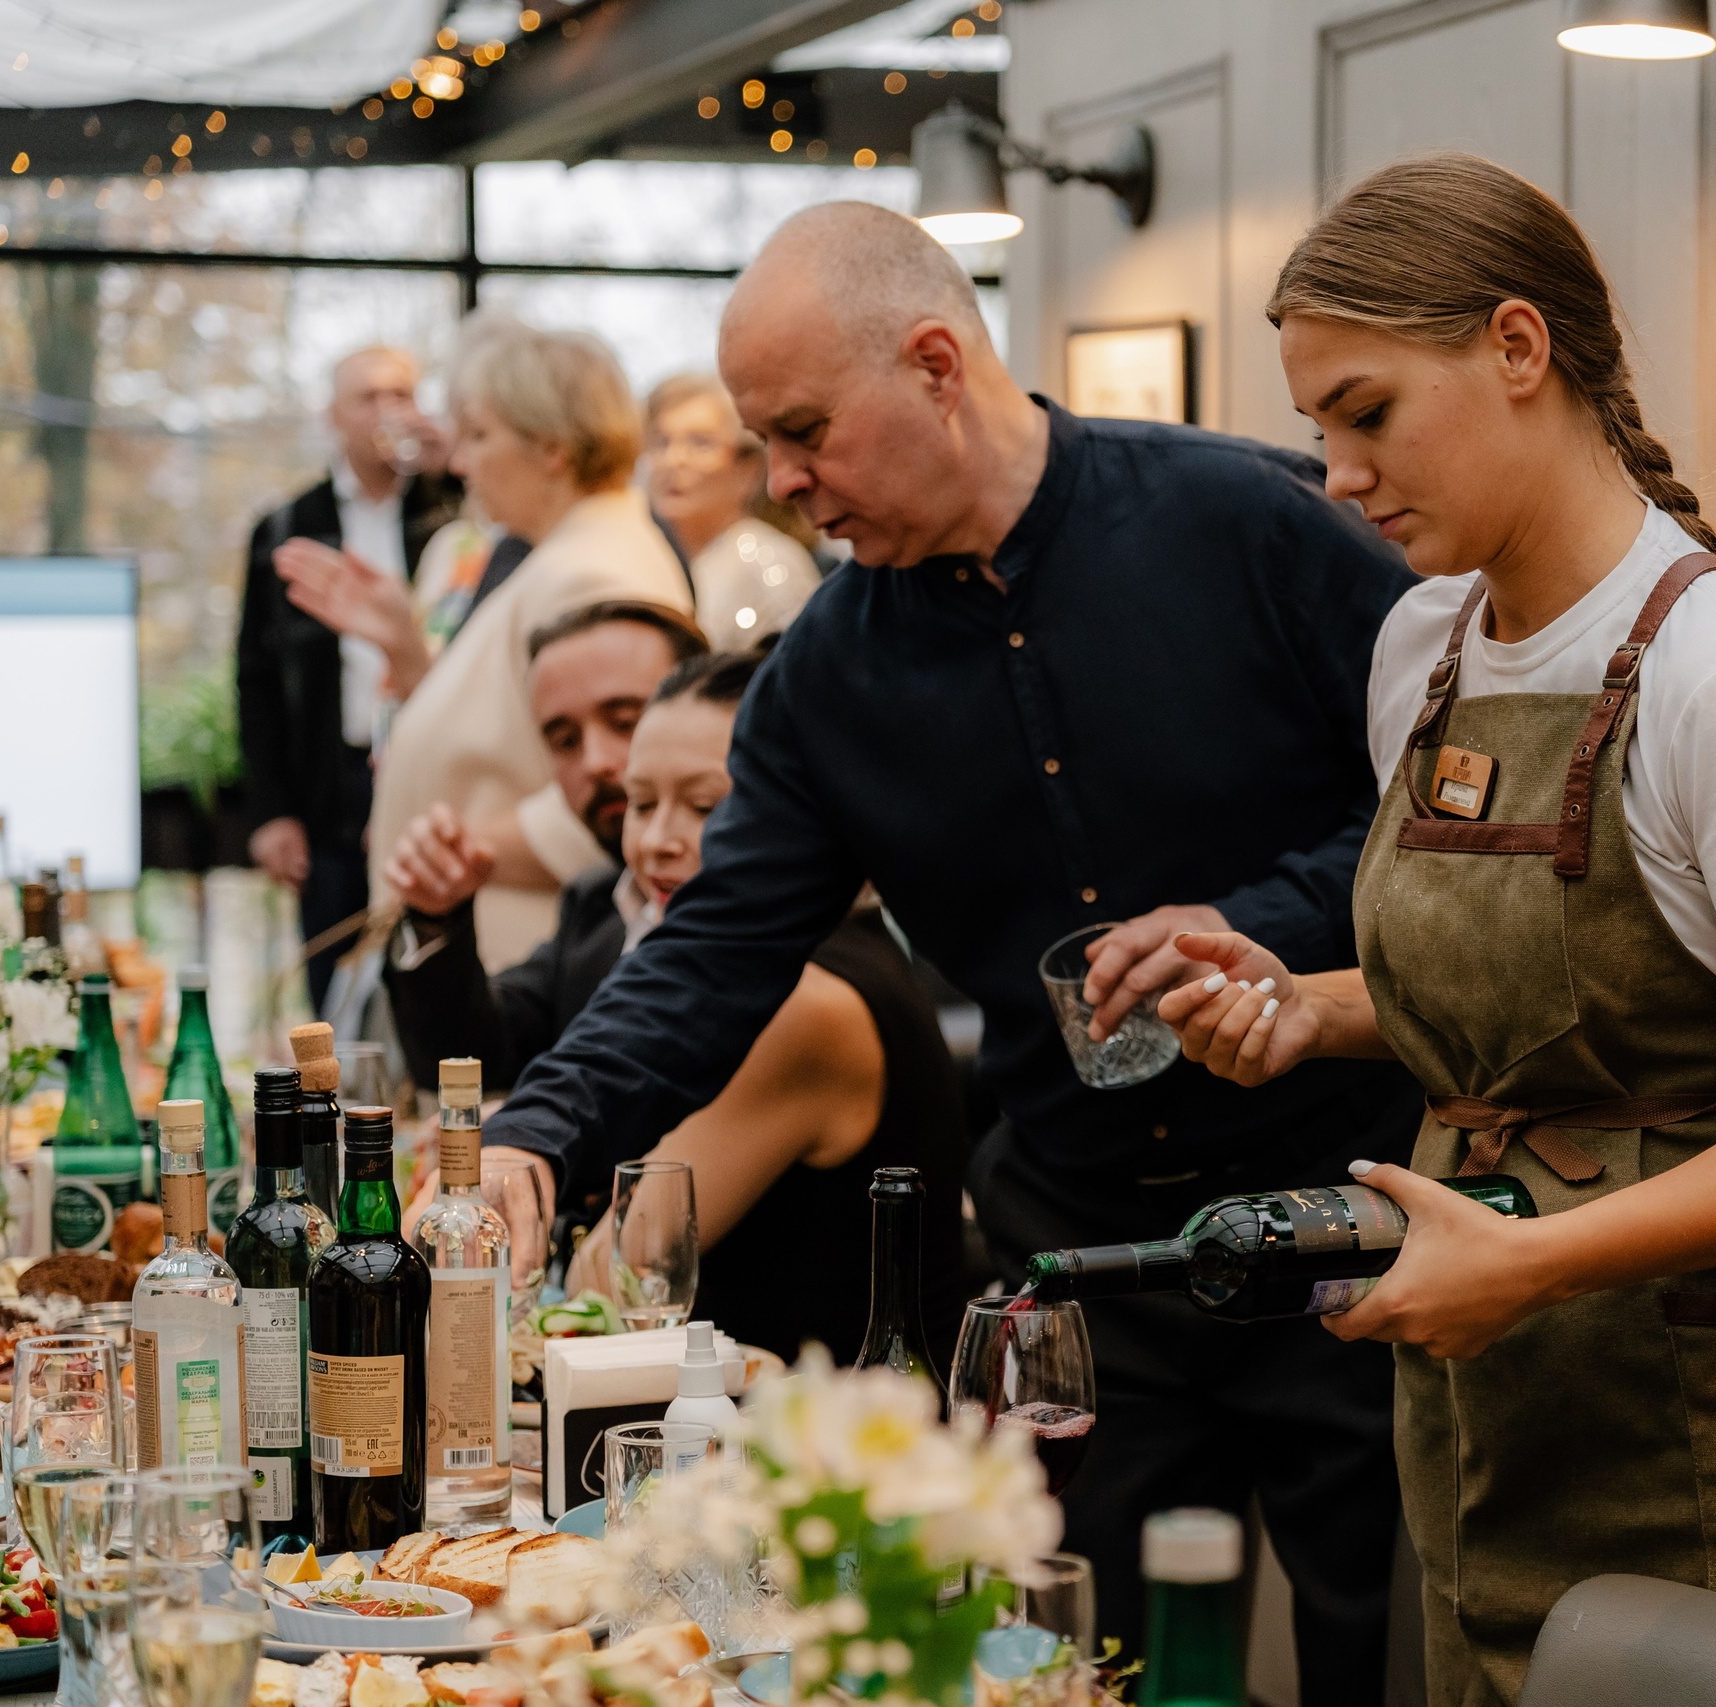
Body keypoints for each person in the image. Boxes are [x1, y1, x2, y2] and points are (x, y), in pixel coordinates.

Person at [462, 200, 1419, 1706]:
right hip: (1087, 1269)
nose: (781, 483)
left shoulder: (1249, 522)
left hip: (1352, 1217)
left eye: (803, 432)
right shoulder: (826, 681)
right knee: (1072, 1673)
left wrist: (1263, 929)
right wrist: (542, 1124)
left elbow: (1437, 806)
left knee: (1384, 1667)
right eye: (764, 443)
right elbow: (713, 947)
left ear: (933, 364)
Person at [1156, 153, 1716, 1699]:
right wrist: (1314, 1008)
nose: (1339, 475)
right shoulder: (1424, 647)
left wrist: (1538, 1260)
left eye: (1368, 414)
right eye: (1319, 430)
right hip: (1507, 1426)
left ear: (1517, 346)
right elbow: (1561, 1006)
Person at [389, 617, 963, 1361]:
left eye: (707, 807)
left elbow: (613, 1275)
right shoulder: (618, 914)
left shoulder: (809, 1001)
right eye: (641, 802)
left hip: (822, 1418)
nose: (658, 838)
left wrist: (528, 1165)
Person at [363, 314, 694, 969]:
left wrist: (445, 855)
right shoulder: (562, 556)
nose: (461, 462)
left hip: (525, 962)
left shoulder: (596, 571)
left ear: (552, 449)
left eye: (480, 436)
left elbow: (623, 793)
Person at [382, 600, 712, 1092]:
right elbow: (467, 1059)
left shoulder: (785, 927)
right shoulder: (598, 907)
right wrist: (434, 918)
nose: (596, 762)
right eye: (565, 741)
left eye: (626, 722)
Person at [237, 345, 457, 1007]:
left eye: (402, 394)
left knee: (434, 975)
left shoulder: (451, 513)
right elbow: (256, 679)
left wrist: (454, 469)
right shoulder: (288, 527)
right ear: (334, 415)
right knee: (334, 981)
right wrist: (271, 812)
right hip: (332, 783)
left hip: (433, 773)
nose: (389, 411)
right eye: (369, 397)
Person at [643, 372, 823, 647]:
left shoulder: (767, 567)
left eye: (700, 443)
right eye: (661, 442)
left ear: (747, 471)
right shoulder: (656, 558)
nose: (673, 460)